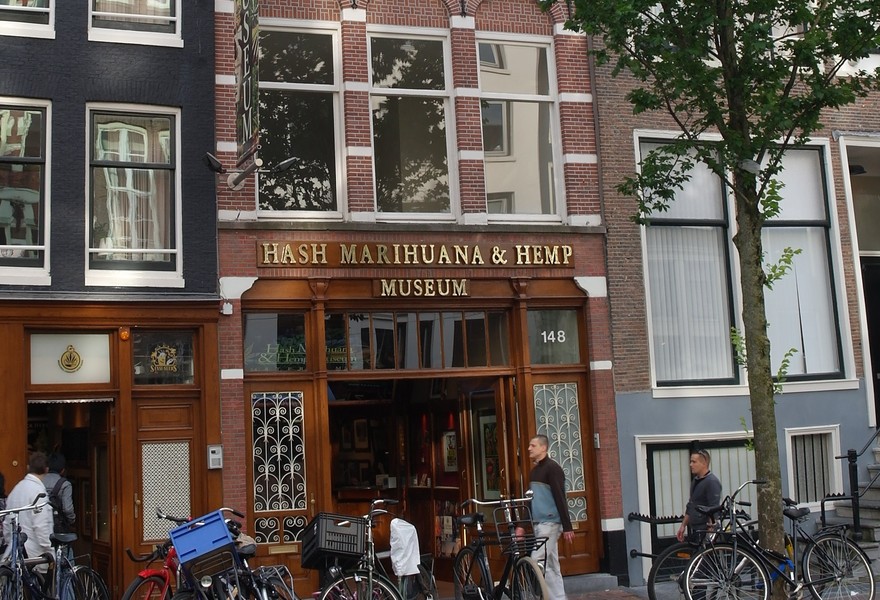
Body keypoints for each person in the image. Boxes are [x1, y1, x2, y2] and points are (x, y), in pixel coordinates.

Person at [526, 434, 574, 600]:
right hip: (539, 523)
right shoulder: (534, 472)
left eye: (533, 445)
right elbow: (530, 499)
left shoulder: (553, 469)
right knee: (552, 565)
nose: (529, 448)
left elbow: (560, 497)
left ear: (543, 448)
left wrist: (567, 527)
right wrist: (523, 526)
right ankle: (559, 598)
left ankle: (544, 595)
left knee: (536, 559)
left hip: (550, 523)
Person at [4, 452, 54, 569]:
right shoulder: (39, 492)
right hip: (35, 555)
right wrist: (49, 549)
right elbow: (41, 525)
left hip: (14, 553)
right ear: (46, 469)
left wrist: (11, 543)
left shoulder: (16, 489)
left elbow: (7, 523)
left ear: (28, 467)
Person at [676, 448, 722, 543]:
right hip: (696, 530)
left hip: (705, 530)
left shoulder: (711, 482)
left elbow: (714, 508)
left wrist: (710, 533)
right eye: (690, 462)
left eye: (694, 462)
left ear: (704, 463)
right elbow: (691, 505)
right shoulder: (695, 480)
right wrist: (683, 526)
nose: (691, 465)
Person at [44, 452, 76, 534]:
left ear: (47, 468)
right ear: (63, 470)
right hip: (58, 526)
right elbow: (67, 509)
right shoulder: (65, 484)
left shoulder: (38, 481)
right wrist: (71, 520)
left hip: (40, 524)